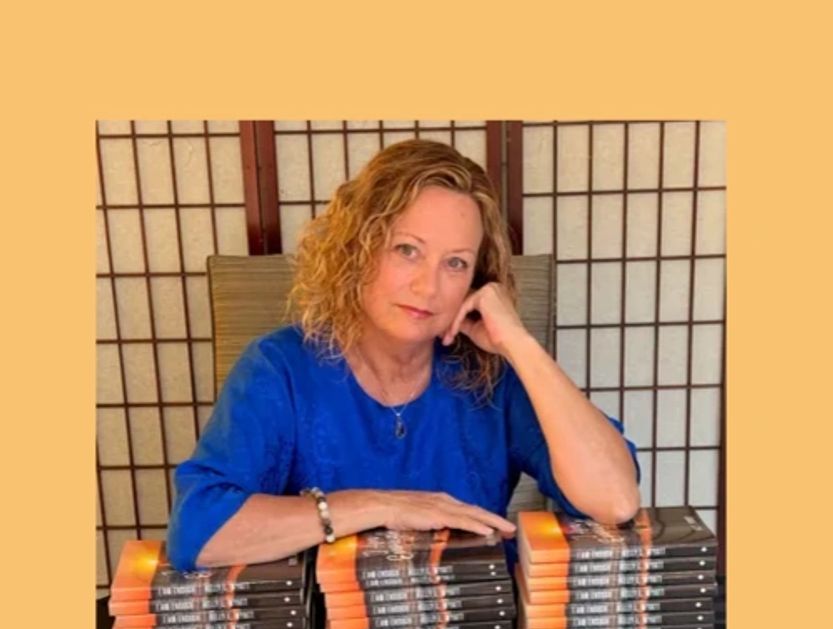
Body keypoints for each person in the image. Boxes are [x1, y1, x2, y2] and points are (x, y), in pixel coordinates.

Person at [166, 139, 641, 571]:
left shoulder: (492, 374)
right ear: (359, 249)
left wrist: (520, 344)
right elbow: (200, 533)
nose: (428, 286)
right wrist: (383, 506)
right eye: (407, 250)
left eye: (455, 263)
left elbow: (615, 500)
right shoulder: (279, 368)